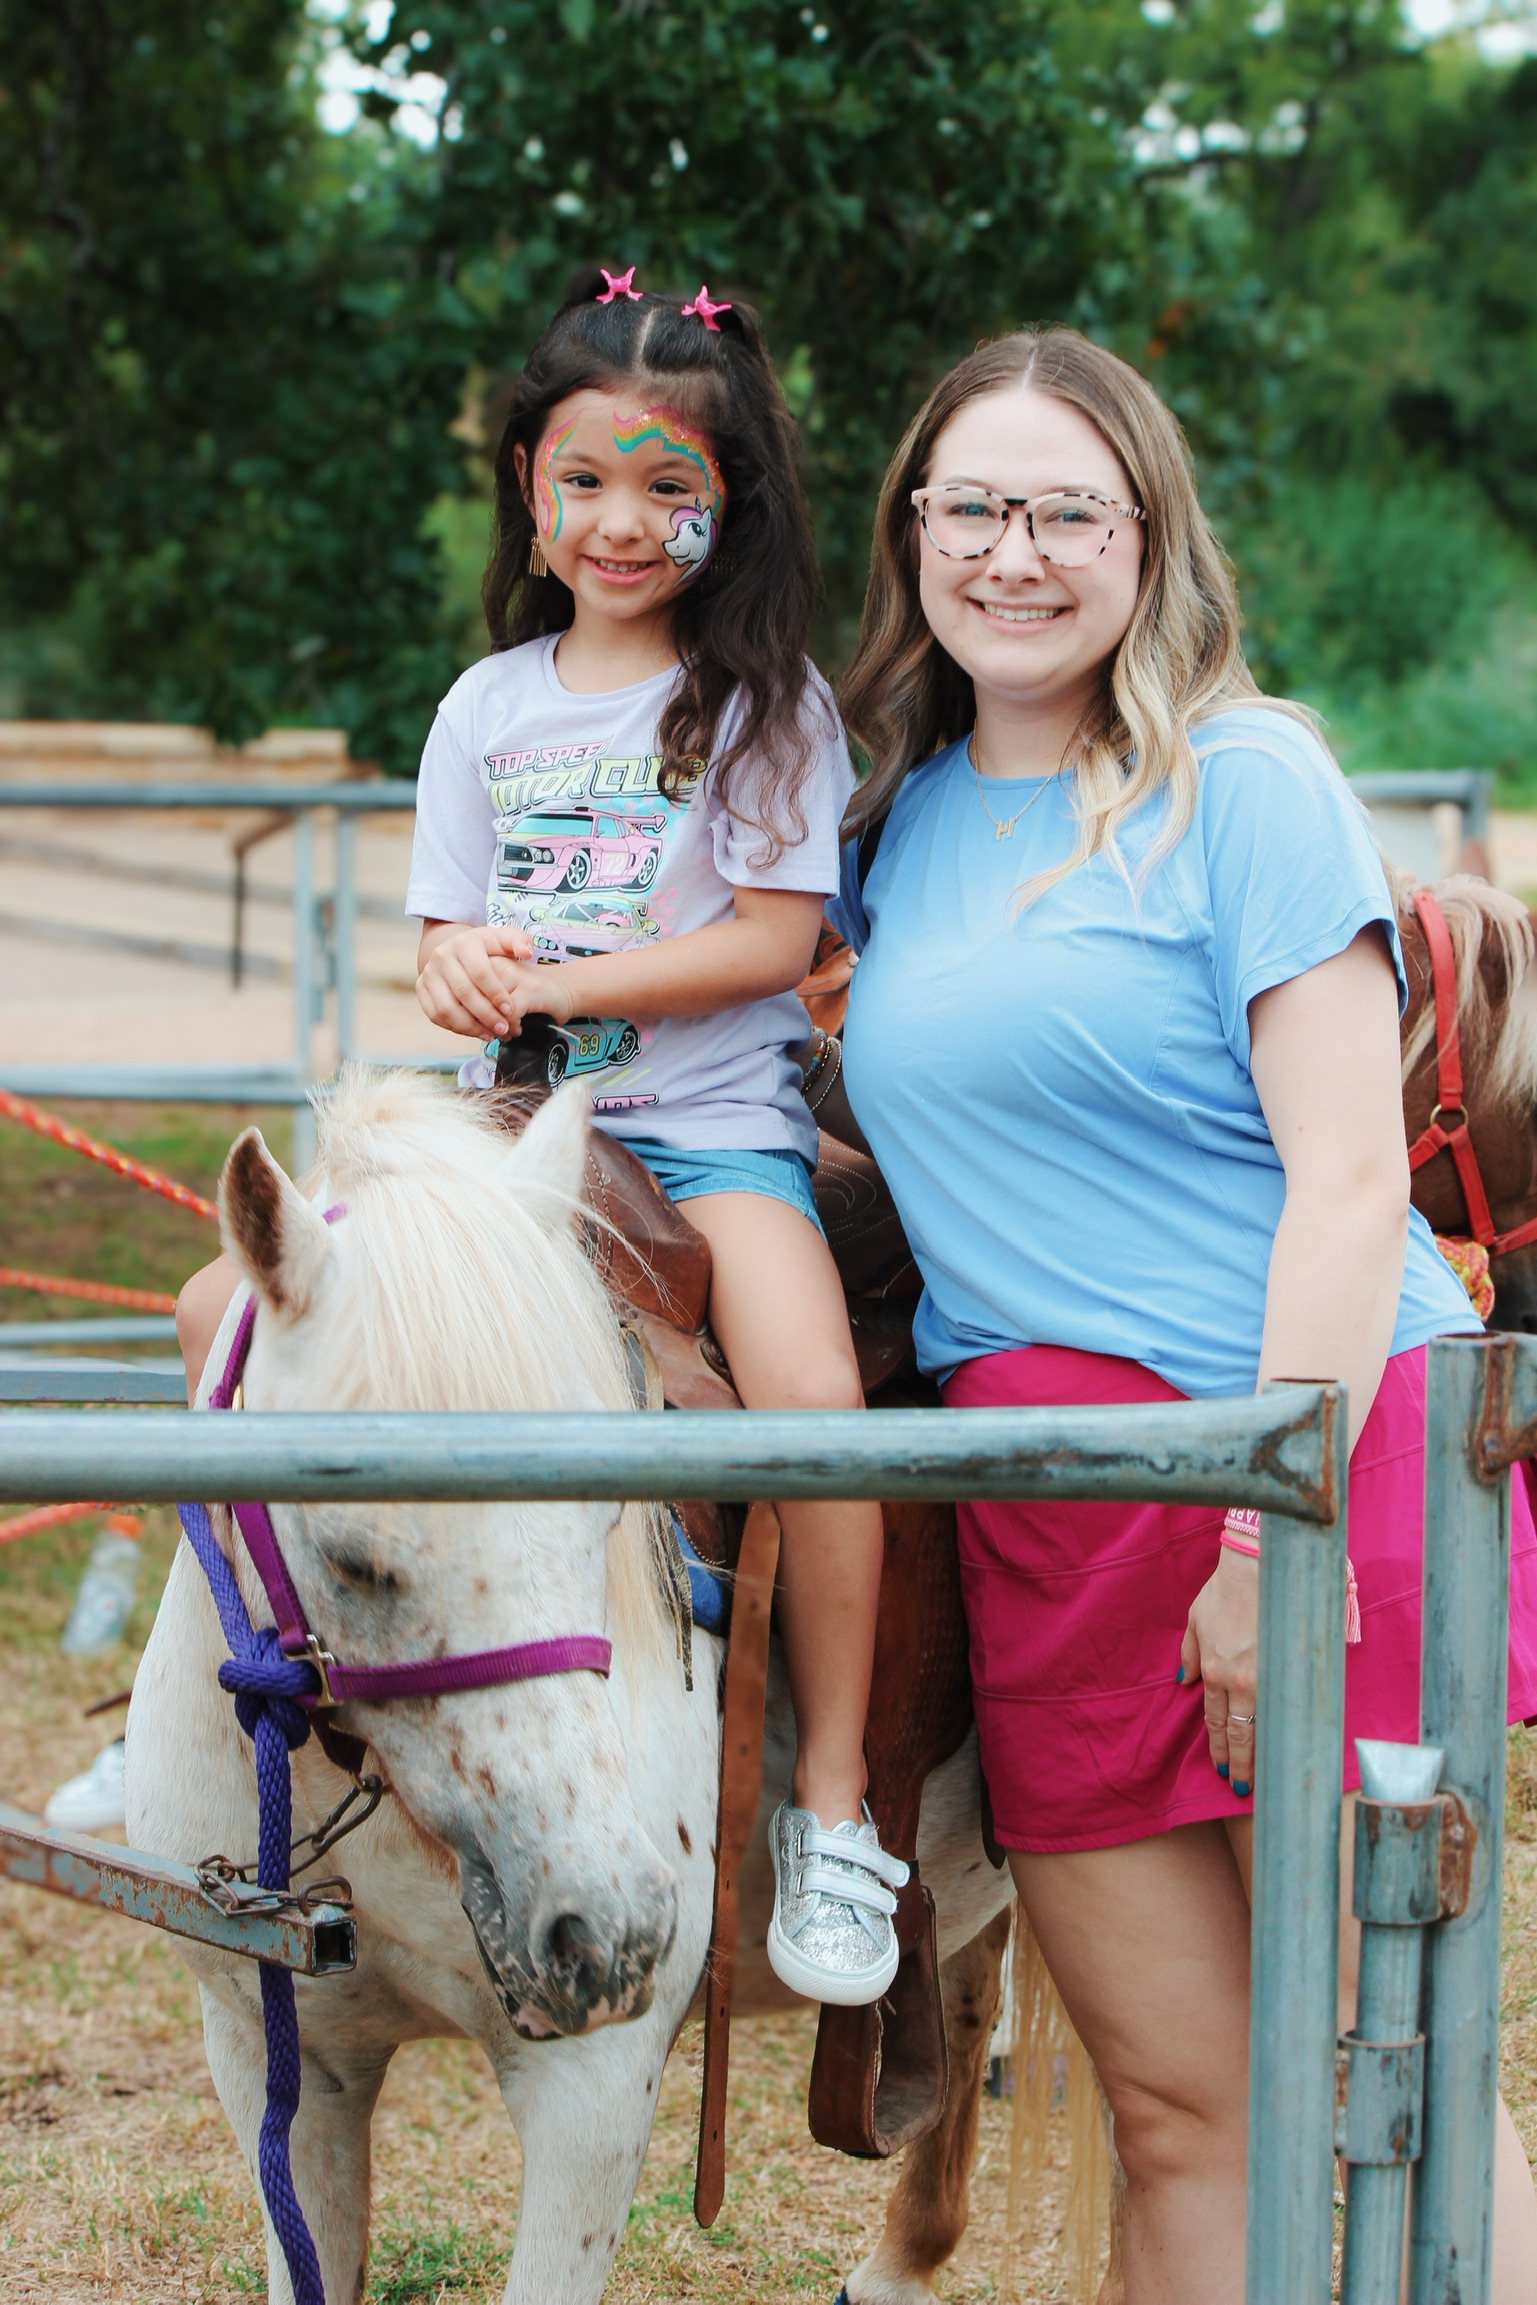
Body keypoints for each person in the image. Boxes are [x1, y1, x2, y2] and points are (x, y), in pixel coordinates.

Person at [824, 326, 1537, 2298]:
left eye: (1067, 510)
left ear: (1149, 540)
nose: (1014, 552)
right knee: (1176, 2109)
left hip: (1296, 1464)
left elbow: (1347, 1172)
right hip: (1050, 1504)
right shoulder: (892, 824)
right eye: (972, 505)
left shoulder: (1245, 780)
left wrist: (1254, 1529)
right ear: (914, 531)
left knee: (1388, 2067)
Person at [175, 267, 906, 2009]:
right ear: (527, 484)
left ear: (733, 503)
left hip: (710, 1138)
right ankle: (250, 1721)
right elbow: (445, 949)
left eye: (670, 484)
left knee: (813, 1408)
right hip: (504, 1143)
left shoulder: (765, 705)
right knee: (218, 1322)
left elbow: (766, 942)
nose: (623, 520)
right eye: (584, 479)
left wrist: (566, 966)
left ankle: (829, 1801)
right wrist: (466, 963)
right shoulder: (484, 710)